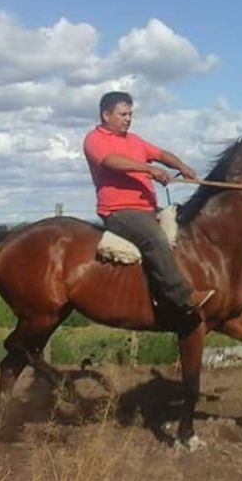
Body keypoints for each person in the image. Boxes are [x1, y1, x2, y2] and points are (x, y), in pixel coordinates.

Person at [83, 91, 213, 317]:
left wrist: (182, 166)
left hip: (147, 209)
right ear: (106, 115)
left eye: (130, 114)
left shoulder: (135, 140)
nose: (128, 119)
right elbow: (111, 162)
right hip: (119, 212)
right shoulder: (95, 140)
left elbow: (161, 154)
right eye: (123, 114)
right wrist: (149, 168)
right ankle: (180, 298)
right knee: (155, 239)